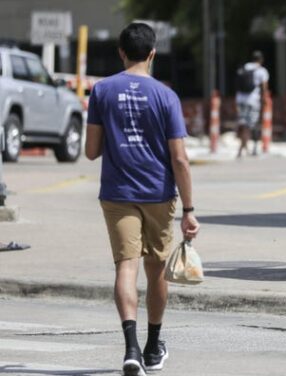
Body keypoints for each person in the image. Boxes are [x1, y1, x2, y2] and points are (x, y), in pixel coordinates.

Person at [85, 23, 199, 376]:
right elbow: (179, 158)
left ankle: (130, 347)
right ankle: (152, 346)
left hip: (118, 193)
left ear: (121, 52)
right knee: (156, 272)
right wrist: (190, 210)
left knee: (126, 267)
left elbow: (91, 151)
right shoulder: (166, 96)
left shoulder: (101, 90)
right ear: (152, 53)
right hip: (158, 194)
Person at [235, 50, 269, 157]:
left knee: (243, 123)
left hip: (240, 99)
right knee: (251, 125)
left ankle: (245, 148)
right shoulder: (261, 70)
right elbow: (264, 87)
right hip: (252, 100)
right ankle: (243, 149)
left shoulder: (245, 67)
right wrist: (264, 99)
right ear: (261, 60)